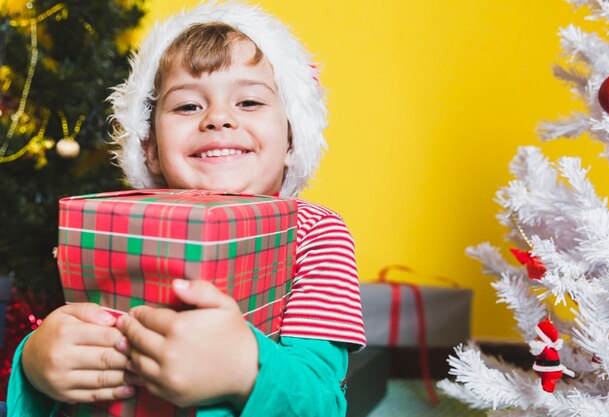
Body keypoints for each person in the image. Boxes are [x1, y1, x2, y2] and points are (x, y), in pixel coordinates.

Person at [6, 1, 366, 416]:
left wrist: (245, 371)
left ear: (291, 140)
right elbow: (75, 345)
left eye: (249, 102)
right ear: (151, 149)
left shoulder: (317, 234)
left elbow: (322, 402)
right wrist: (35, 365)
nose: (218, 118)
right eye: (188, 106)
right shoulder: (114, 224)